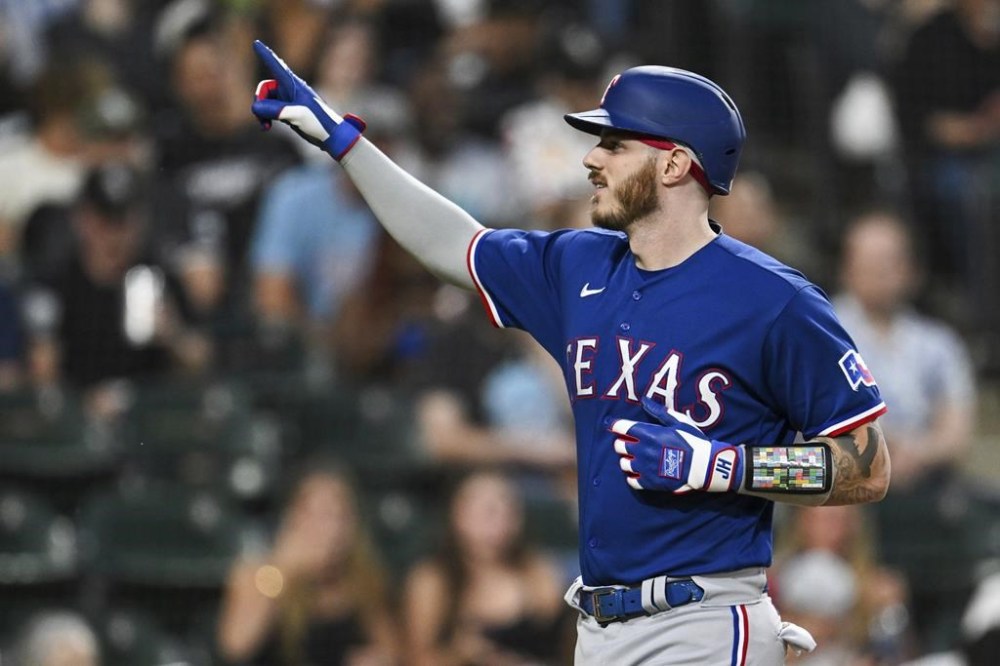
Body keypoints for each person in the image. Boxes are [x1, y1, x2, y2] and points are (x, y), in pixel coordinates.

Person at [250, 43, 892, 664]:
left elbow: (866, 468)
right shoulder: (578, 264)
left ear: (673, 165)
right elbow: (456, 244)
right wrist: (348, 147)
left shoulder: (774, 300)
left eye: (615, 143)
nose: (592, 159)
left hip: (703, 622)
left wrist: (722, 466)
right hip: (598, 625)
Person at [832, 210, 978, 653]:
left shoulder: (937, 343)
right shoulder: (824, 327)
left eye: (890, 261)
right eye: (868, 260)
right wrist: (882, 449)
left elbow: (957, 432)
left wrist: (916, 451)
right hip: (849, 494)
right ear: (846, 267)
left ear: (911, 270)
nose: (879, 273)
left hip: (921, 489)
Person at [216, 462, 398, 666]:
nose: (326, 528)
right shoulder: (255, 573)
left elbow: (391, 652)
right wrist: (283, 569)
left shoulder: (363, 581)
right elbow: (235, 647)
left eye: (335, 514)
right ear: (291, 517)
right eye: (313, 513)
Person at [402, 469, 570, 666]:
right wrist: (461, 654)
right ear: (455, 513)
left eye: (508, 506)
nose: (500, 516)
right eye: (487, 509)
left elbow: (562, 647)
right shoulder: (431, 580)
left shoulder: (538, 570)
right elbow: (416, 658)